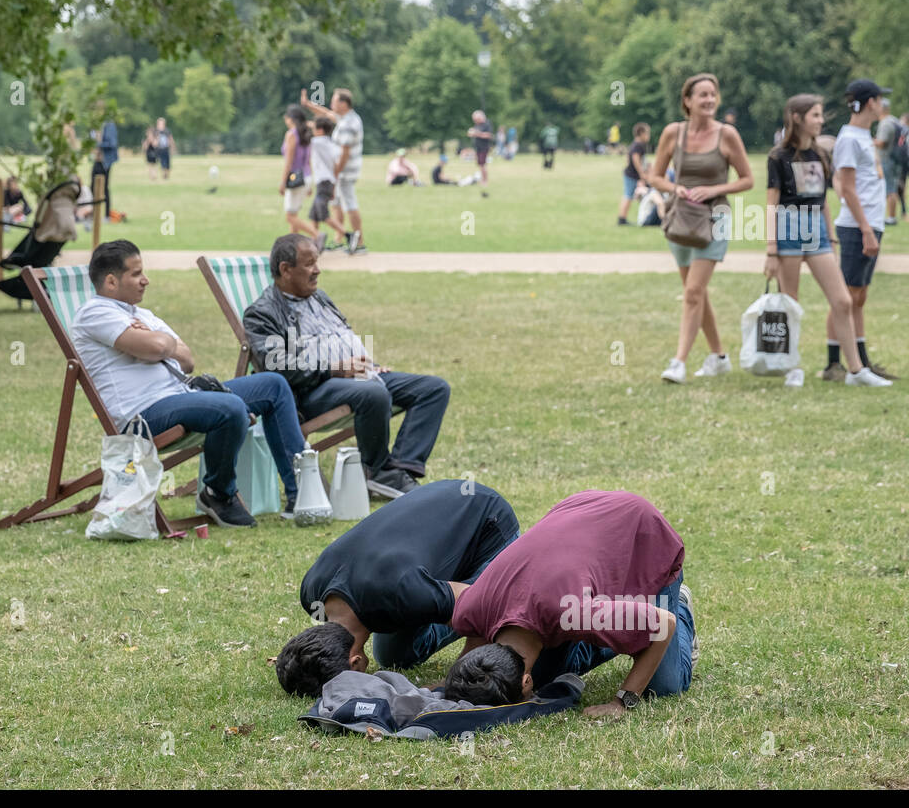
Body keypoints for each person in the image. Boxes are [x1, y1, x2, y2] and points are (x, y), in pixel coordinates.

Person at [72, 240, 308, 527]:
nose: (145, 280)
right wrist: (159, 342)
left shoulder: (142, 315)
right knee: (230, 407)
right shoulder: (95, 313)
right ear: (111, 281)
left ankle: (302, 492)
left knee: (273, 385)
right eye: (136, 274)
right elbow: (160, 349)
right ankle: (218, 493)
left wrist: (158, 341)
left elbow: (187, 360)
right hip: (142, 414)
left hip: (181, 394)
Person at [447, 490, 696, 716]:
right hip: (578, 514)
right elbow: (474, 646)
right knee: (547, 674)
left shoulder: (573, 612)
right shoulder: (471, 608)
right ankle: (625, 630)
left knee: (665, 685)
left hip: (642, 531)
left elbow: (664, 625)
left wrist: (622, 702)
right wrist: (457, 683)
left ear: (525, 683)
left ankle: (680, 602)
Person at [243, 234, 451, 500]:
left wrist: (368, 365)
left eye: (316, 262)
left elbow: (339, 335)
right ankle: (378, 470)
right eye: (309, 264)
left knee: (433, 389)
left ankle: (398, 469)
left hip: (353, 377)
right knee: (373, 393)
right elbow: (277, 366)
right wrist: (333, 369)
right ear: (285, 269)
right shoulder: (262, 313)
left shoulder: (318, 297)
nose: (317, 270)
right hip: (311, 391)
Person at [275, 481, 521, 697]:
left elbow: (481, 605)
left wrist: (455, 682)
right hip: (436, 513)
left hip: (487, 521)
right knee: (395, 656)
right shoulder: (311, 593)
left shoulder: (399, 593)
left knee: (485, 608)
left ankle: (448, 600)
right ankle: (441, 600)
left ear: (356, 662)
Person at [763, 95, 890, 388]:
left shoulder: (820, 154)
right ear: (797, 118)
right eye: (816, 116)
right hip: (789, 231)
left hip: (817, 232)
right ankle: (791, 366)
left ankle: (856, 371)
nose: (821, 121)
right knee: (790, 304)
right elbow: (771, 203)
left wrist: (830, 237)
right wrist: (771, 249)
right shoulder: (778, 157)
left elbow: (823, 200)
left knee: (842, 300)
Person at [648, 73, 754, 385]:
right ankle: (719, 357)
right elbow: (654, 176)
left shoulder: (727, 135)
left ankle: (678, 362)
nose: (709, 101)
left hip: (715, 218)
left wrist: (713, 189)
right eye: (702, 95)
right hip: (682, 219)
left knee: (693, 292)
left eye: (713, 95)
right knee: (695, 292)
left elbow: (747, 179)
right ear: (687, 101)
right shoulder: (673, 133)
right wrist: (675, 187)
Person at [826, 79, 900, 383]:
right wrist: (866, 230)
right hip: (857, 227)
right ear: (869, 102)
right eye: (879, 99)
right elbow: (847, 188)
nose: (882, 104)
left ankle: (862, 361)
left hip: (870, 223)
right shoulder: (850, 138)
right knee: (846, 296)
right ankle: (834, 364)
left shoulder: (863, 136)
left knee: (859, 297)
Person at [301, 87, 366, 254]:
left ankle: (359, 242)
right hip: (338, 170)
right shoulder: (346, 118)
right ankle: (339, 239)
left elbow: (345, 153)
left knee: (350, 203)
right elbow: (326, 114)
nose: (331, 104)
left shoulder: (349, 124)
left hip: (345, 171)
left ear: (344, 103)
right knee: (336, 204)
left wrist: (335, 174)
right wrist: (308, 104)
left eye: (334, 101)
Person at [280, 105, 319, 242]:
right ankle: (294, 246)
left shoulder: (291, 134)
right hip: (307, 177)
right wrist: (311, 184)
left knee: (290, 216)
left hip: (295, 178)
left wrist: (283, 182)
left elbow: (289, 161)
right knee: (294, 215)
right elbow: (308, 160)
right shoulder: (306, 134)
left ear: (291, 119)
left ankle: (316, 235)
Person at [307, 116, 345, 247]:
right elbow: (336, 166)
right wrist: (334, 187)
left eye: (314, 128)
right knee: (314, 215)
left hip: (323, 182)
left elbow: (304, 138)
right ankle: (315, 243)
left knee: (323, 214)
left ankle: (348, 235)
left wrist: (303, 124)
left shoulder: (317, 142)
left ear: (320, 130)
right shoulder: (331, 144)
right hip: (328, 182)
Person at [873, 98, 902, 227]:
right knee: (892, 187)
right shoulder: (895, 120)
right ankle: (891, 215)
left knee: (889, 189)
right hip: (895, 159)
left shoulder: (885, 123)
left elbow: (882, 142)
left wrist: (870, 141)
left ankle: (891, 217)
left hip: (886, 159)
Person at [618, 123, 651, 225]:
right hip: (632, 175)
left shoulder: (637, 145)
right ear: (641, 133)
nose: (648, 136)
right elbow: (635, 159)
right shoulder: (637, 145)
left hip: (632, 174)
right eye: (647, 133)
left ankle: (645, 216)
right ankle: (622, 219)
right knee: (628, 195)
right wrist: (642, 174)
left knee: (638, 195)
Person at [466, 109, 493, 193]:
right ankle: (482, 179)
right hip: (478, 147)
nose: (475, 121)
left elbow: (489, 135)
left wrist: (477, 134)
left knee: (482, 164)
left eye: (476, 119)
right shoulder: (477, 125)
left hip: (484, 147)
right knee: (480, 164)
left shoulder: (487, 124)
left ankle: (485, 181)